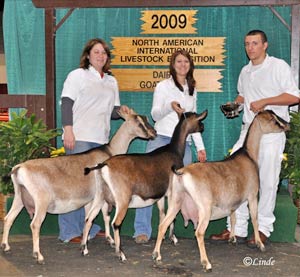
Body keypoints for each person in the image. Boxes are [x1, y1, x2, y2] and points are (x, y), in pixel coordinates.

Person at [210, 30, 300, 247]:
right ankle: (237, 228)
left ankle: (262, 229)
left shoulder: (278, 66)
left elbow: (294, 96)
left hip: (270, 134)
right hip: (248, 132)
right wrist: (236, 104)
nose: (250, 48)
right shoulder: (245, 71)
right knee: (238, 179)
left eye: (255, 43)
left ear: (265, 45)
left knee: (268, 181)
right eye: (247, 44)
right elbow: (243, 95)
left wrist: (265, 102)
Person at [58, 38, 130, 243]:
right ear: (88, 55)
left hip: (101, 142)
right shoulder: (77, 75)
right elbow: (66, 103)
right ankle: (69, 232)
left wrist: (121, 111)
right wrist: (68, 131)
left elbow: (113, 112)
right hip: (79, 138)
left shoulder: (111, 81)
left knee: (94, 188)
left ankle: (88, 227)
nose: (100, 55)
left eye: (104, 53)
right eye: (96, 52)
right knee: (74, 185)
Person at [133, 49, 207, 244]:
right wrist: (170, 106)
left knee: (184, 186)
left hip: (183, 145)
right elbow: (155, 114)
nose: (182, 65)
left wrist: (200, 146)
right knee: (148, 184)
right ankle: (142, 230)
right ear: (173, 65)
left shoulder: (192, 89)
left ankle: (176, 229)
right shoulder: (163, 86)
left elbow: (192, 121)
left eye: (186, 62)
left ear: (190, 65)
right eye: (179, 62)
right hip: (161, 140)